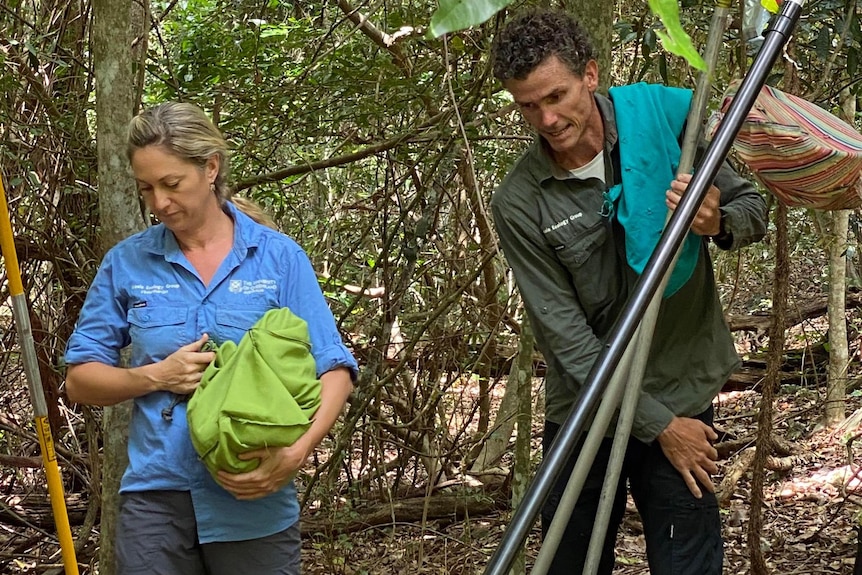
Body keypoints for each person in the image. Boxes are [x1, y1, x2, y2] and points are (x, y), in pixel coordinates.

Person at [489, 10, 767, 575]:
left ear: (590, 74)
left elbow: (752, 208)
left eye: (556, 95)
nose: (546, 118)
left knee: (688, 562)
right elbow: (568, 343)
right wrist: (660, 426)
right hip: (588, 406)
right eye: (527, 105)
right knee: (568, 560)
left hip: (679, 384)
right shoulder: (520, 202)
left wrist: (717, 221)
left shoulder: (663, 122)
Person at [64, 101, 358, 575]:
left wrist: (296, 453)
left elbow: (335, 368)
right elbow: (80, 380)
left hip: (254, 494)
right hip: (156, 498)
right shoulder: (126, 262)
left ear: (210, 167)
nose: (159, 202)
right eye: (146, 189)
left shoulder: (278, 258)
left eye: (171, 184)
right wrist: (155, 375)